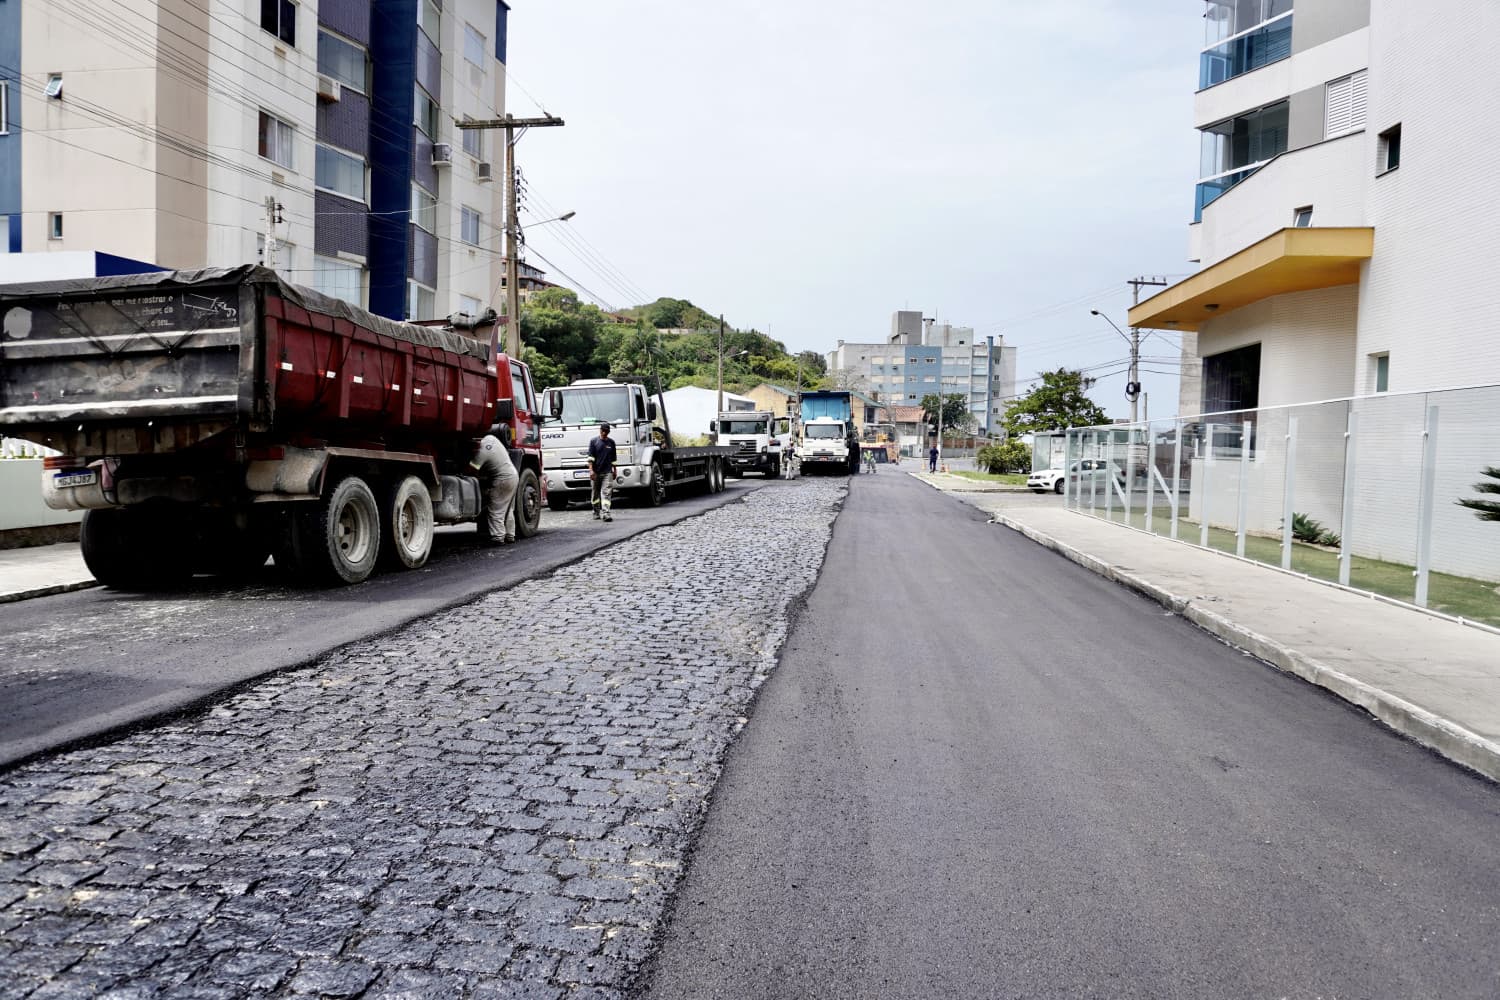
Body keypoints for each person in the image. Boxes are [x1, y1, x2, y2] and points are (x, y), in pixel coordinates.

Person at [470, 430, 518, 545]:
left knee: (496, 509)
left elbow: (473, 470)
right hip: (513, 475)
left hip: (502, 479)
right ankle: (510, 535)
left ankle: (498, 537)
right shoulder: (492, 438)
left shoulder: (481, 451)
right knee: (507, 509)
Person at [588, 422, 619, 521]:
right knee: (595, 494)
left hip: (607, 472)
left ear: (608, 432)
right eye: (603, 431)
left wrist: (615, 470)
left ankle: (606, 513)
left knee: (606, 492)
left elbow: (614, 458)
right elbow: (590, 458)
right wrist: (591, 471)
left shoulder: (611, 443)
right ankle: (596, 512)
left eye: (606, 431)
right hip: (596, 472)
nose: (604, 433)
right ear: (600, 430)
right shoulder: (593, 442)